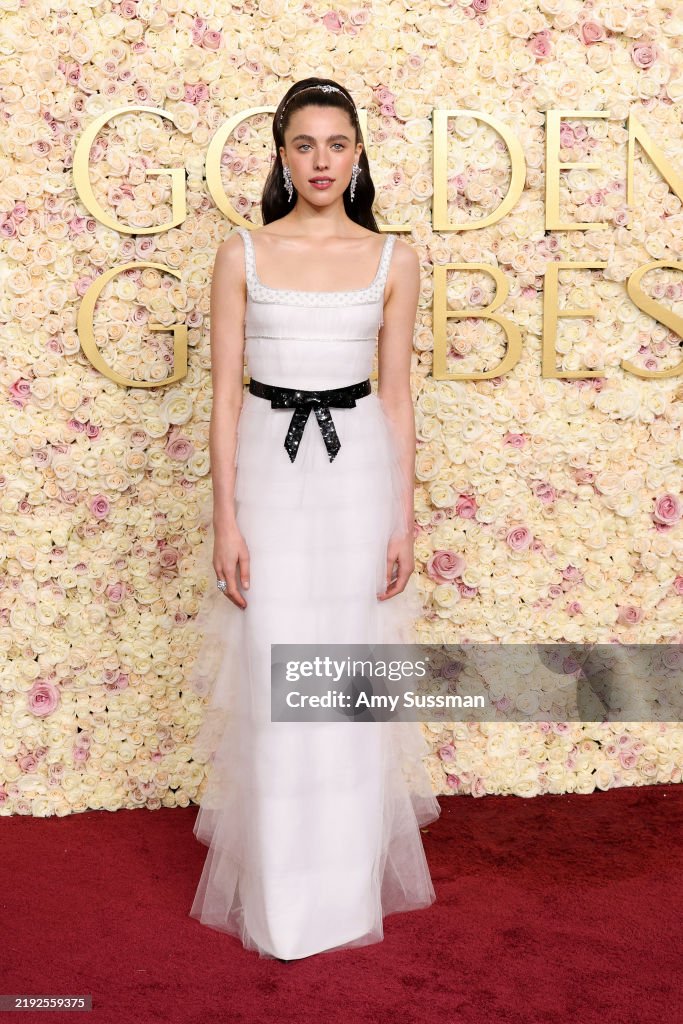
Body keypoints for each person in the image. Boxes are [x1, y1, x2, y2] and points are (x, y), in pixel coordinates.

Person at [187, 76, 441, 961]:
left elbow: (398, 398)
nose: (321, 161)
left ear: (358, 154)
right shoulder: (241, 253)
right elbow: (221, 400)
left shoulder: (392, 257)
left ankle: (339, 896)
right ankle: (280, 898)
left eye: (337, 144)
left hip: (356, 477)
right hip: (265, 467)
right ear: (282, 156)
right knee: (272, 682)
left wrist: (401, 522)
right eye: (304, 145)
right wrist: (225, 520)